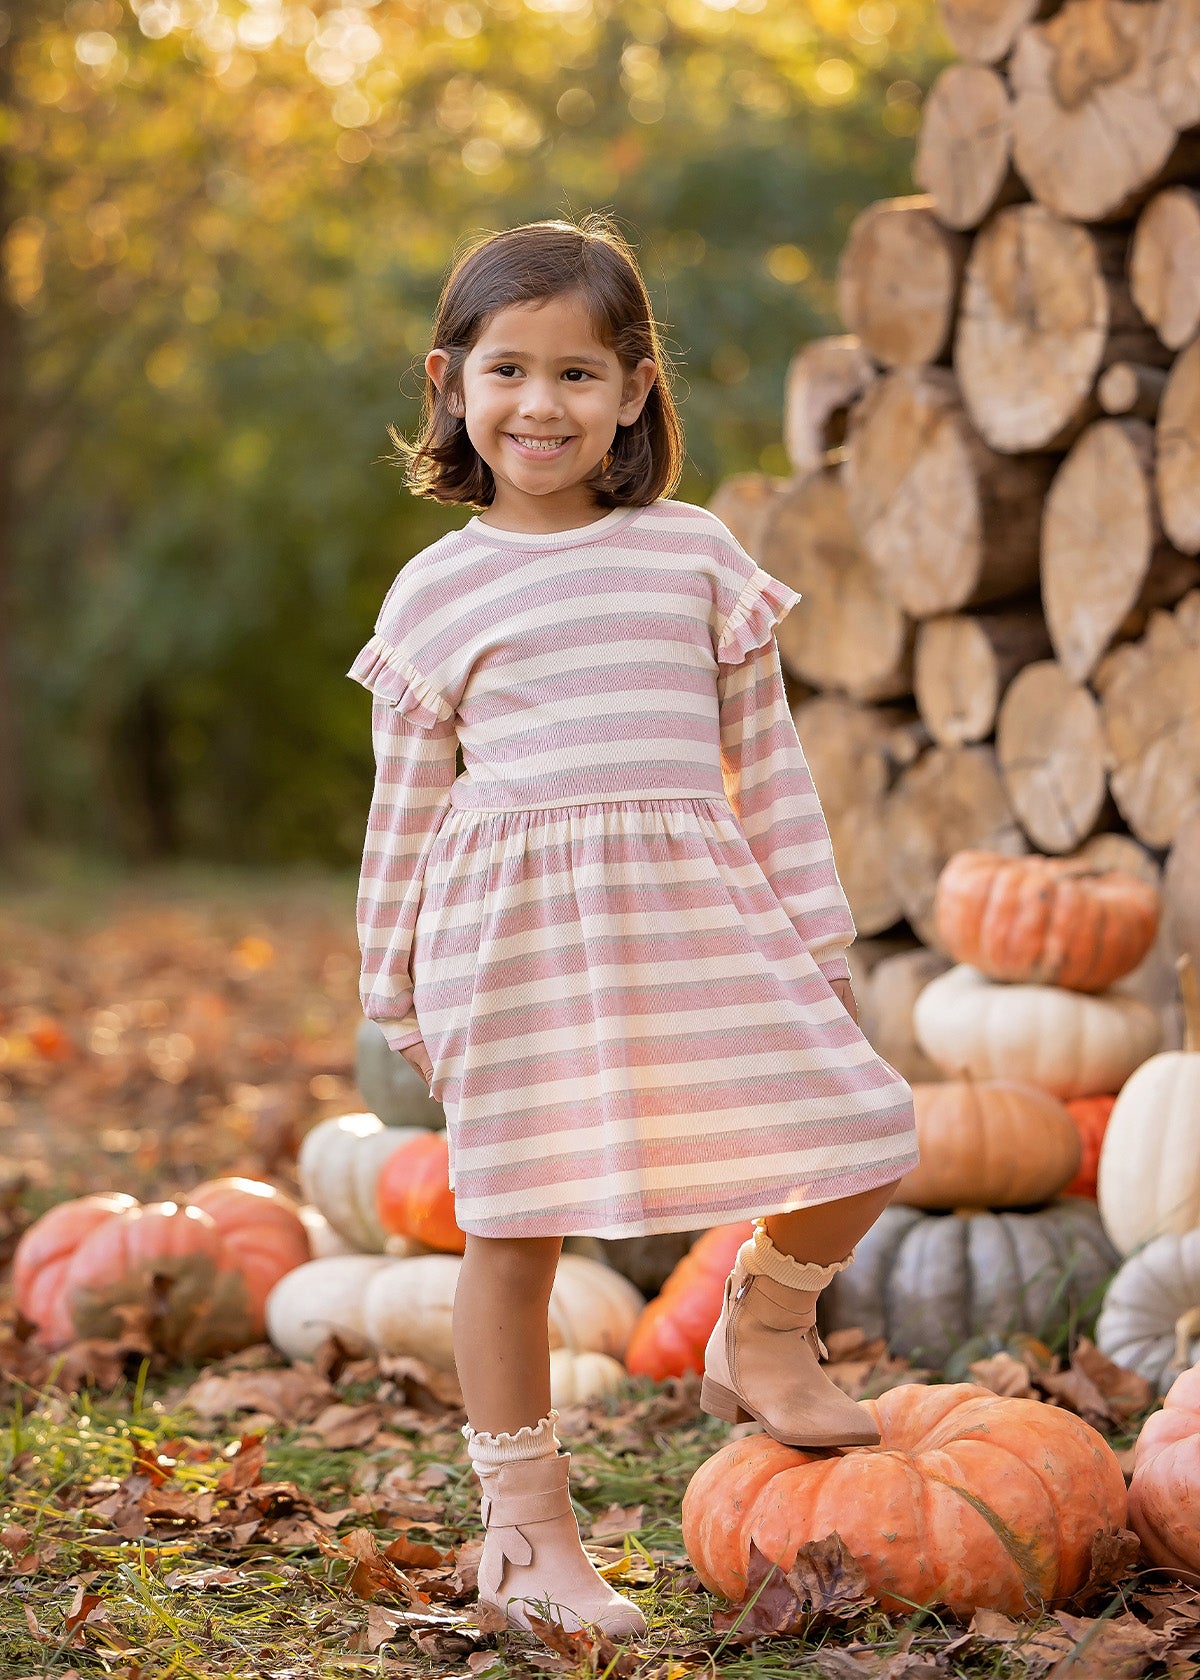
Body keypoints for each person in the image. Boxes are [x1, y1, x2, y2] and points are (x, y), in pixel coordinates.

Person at [347, 215, 919, 1641]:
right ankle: (526, 1527)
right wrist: (393, 984)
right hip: (515, 938)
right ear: (453, 384)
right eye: (509, 370)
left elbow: (772, 762)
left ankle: (765, 1327)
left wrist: (820, 941)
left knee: (866, 1128)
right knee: (515, 1227)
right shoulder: (437, 592)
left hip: (692, 908)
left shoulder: (695, 554)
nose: (543, 404)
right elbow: (402, 812)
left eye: (580, 374)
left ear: (636, 389)